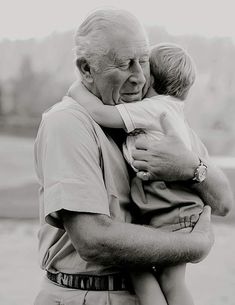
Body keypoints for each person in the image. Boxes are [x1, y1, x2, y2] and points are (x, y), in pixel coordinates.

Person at [34, 9, 232, 305]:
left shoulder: (156, 113)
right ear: (86, 69)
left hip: (145, 293)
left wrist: (191, 167)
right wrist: (194, 245)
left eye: (143, 62)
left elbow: (224, 202)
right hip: (87, 295)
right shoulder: (68, 122)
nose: (139, 78)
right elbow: (94, 240)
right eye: (126, 65)